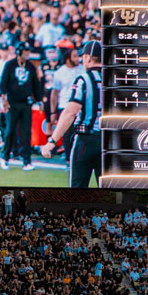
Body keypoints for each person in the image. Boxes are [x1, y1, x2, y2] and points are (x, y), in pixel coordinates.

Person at [41, 40, 102, 187]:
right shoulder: (114, 79)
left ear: (87, 58)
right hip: (108, 142)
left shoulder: (83, 79)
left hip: (85, 139)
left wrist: (52, 141)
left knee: (77, 191)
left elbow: (70, 112)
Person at [0, 42, 41, 171]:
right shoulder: (10, 65)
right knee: (10, 131)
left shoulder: (31, 67)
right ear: (19, 52)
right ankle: (5, 157)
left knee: (26, 132)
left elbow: (36, 85)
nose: (28, 53)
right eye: (25, 51)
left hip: (26, 103)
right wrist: (4, 99)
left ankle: (26, 161)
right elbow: (3, 83)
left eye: (29, 51)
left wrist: (39, 100)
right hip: (12, 103)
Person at [50, 47, 83, 165]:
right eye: (74, 56)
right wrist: (53, 112)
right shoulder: (60, 72)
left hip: (80, 106)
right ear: (68, 59)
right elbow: (54, 93)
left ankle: (78, 159)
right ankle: (69, 160)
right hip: (64, 105)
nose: (77, 59)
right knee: (67, 134)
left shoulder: (82, 69)